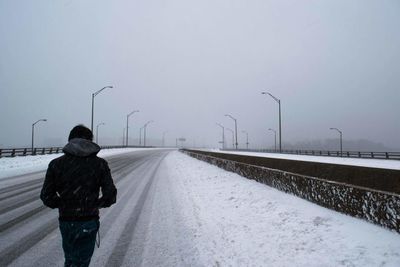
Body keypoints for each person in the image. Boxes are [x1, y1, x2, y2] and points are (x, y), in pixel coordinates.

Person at [40, 124, 117, 267]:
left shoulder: (56, 164)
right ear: (90, 141)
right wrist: (94, 204)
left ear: (70, 141)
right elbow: (110, 195)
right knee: (82, 262)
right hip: (89, 220)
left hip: (67, 221)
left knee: (70, 260)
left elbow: (46, 196)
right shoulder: (99, 164)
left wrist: (64, 204)